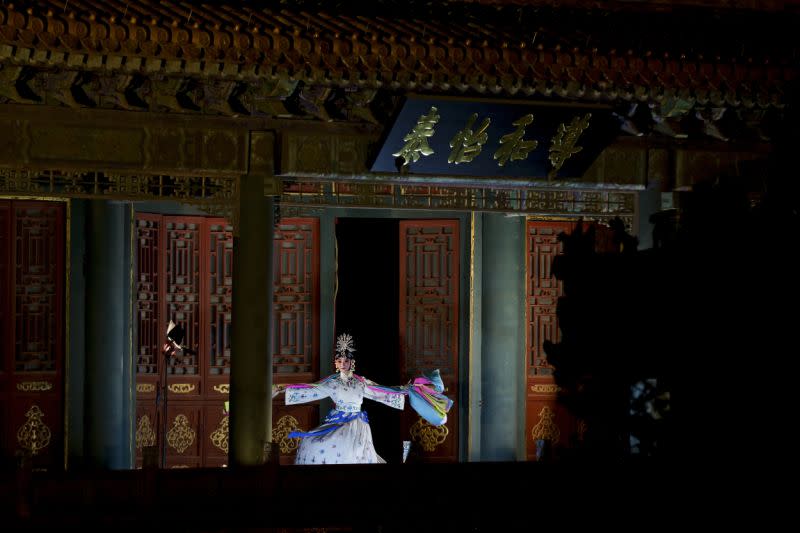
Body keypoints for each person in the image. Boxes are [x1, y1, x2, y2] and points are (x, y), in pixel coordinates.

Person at [272, 333, 452, 464]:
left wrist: (405, 390)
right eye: (339, 361)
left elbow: (382, 391)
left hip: (357, 424)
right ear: (336, 364)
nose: (343, 364)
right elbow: (310, 390)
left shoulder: (361, 382)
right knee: (311, 442)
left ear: (352, 362)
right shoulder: (332, 382)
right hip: (336, 421)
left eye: (346, 361)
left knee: (353, 455)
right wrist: (281, 389)